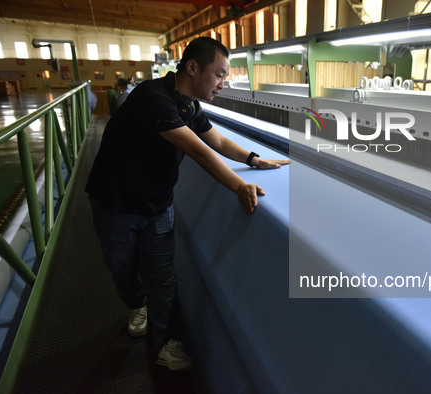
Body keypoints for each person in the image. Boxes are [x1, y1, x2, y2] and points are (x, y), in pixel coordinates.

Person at [85, 37, 290, 371]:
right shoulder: (153, 98)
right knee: (121, 266)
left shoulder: (190, 107)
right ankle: (137, 304)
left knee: (163, 276)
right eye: (220, 74)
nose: (224, 84)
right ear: (193, 67)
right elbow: (197, 150)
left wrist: (254, 159)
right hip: (116, 203)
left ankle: (166, 342)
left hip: (157, 205)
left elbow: (218, 140)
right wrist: (238, 186)